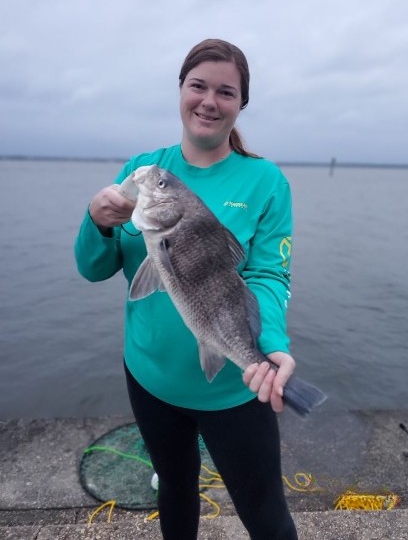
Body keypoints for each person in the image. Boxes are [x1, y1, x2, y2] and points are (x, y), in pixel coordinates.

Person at [75, 38, 298, 540]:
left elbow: (268, 275)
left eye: (226, 91)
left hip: (234, 390)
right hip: (150, 379)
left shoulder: (266, 182)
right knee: (174, 491)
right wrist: (97, 220)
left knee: (265, 514)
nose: (209, 101)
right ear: (180, 90)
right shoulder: (145, 170)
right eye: (198, 85)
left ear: (241, 104)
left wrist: (273, 345)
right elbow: (93, 268)